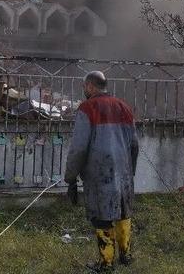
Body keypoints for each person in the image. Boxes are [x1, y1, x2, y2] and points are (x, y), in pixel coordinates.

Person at [65, 71, 139, 272]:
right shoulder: (124, 107)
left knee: (102, 216)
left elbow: (79, 148)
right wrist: (130, 171)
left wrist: (70, 177)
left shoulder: (87, 108)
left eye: (84, 87)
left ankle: (106, 263)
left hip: (99, 173)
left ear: (90, 86)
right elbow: (134, 144)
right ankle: (126, 256)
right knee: (124, 212)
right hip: (123, 172)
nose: (84, 90)